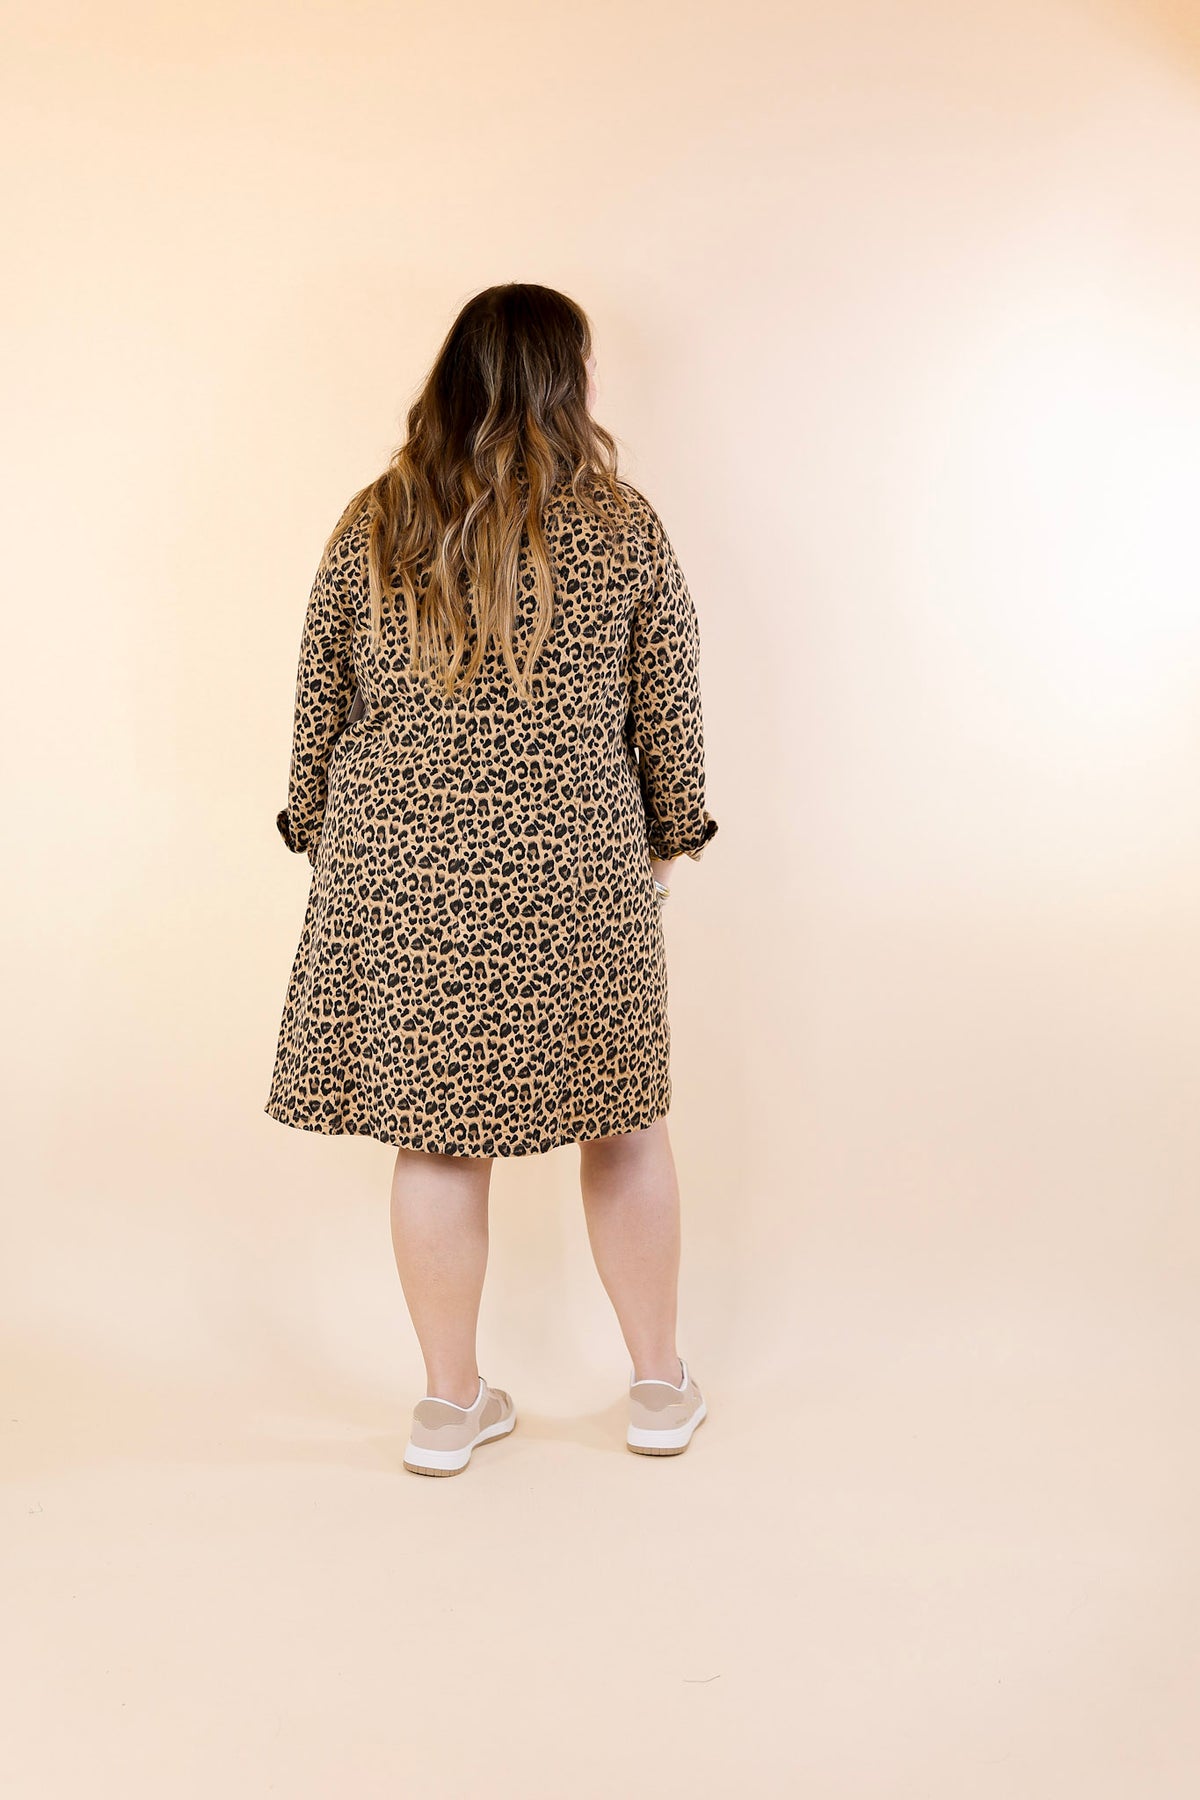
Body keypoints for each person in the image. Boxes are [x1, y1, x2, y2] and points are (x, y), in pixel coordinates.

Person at [264, 283, 719, 1476]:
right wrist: (673, 830)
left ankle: (448, 1406)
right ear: (565, 381)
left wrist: (316, 819)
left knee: (434, 1137)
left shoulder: (375, 520)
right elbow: (669, 705)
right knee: (625, 1125)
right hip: (575, 868)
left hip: (401, 871)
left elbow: (320, 694)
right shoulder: (621, 525)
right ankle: (658, 1389)